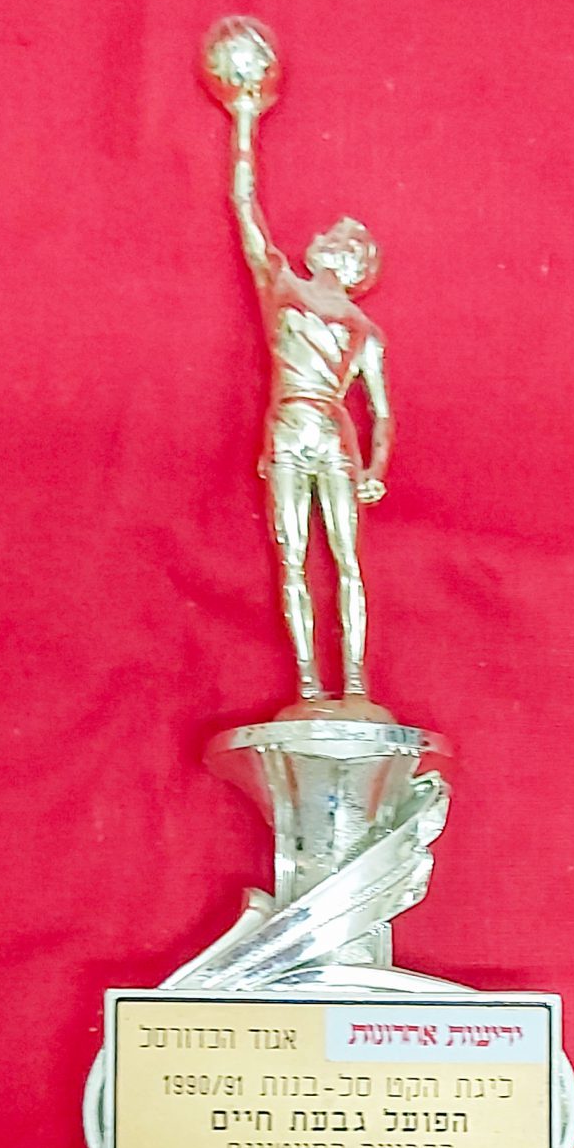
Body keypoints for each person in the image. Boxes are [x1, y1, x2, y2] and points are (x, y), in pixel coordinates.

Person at [224, 86, 392, 703]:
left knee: (347, 560)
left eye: (342, 244)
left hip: (330, 438)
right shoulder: (282, 287)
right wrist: (244, 121)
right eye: (333, 237)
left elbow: (380, 413)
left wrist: (375, 468)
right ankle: (309, 683)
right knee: (291, 555)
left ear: (353, 267)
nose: (328, 241)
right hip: (291, 431)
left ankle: (354, 682)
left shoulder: (364, 331)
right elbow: (245, 205)